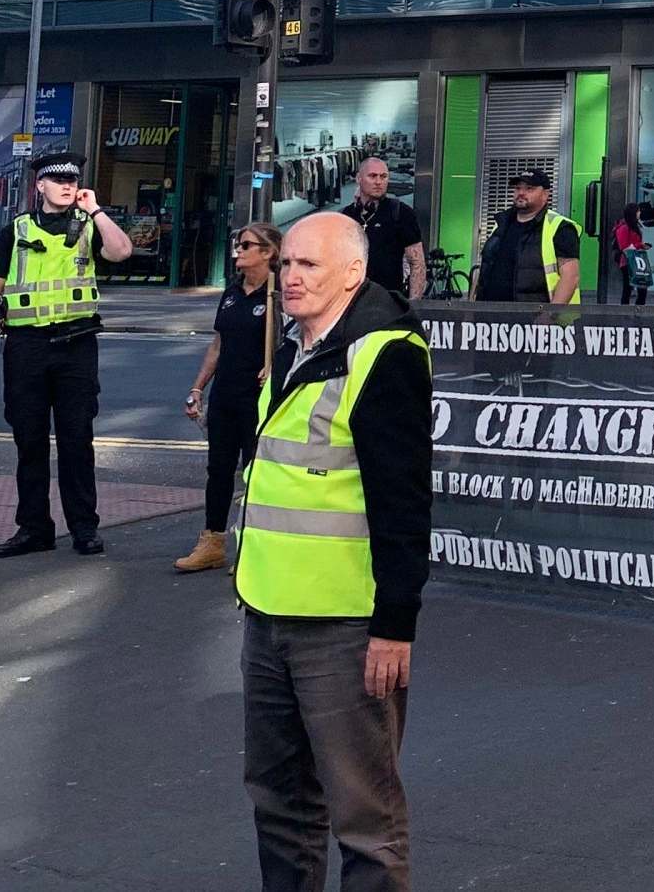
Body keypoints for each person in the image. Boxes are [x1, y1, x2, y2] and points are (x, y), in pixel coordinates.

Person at [237, 212, 432, 892]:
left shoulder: (383, 354)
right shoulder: (299, 344)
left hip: (344, 629)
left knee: (364, 820)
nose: (289, 276)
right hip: (267, 612)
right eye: (286, 263)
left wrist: (393, 626)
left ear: (353, 272)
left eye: (307, 266)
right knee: (279, 802)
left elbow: (403, 503)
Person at [0, 152, 133, 558]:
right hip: (26, 346)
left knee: (77, 441)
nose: (66, 185)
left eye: (72, 179)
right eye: (57, 179)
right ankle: (33, 529)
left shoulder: (87, 227)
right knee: (29, 442)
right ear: (39, 186)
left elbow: (122, 251)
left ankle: (84, 528)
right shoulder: (16, 230)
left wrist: (95, 208)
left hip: (76, 345)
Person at [173, 222, 279, 574]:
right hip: (226, 395)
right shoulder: (232, 293)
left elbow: (298, 343)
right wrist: (197, 387)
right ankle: (212, 542)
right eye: (238, 244)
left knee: (256, 472)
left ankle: (253, 543)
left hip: (258, 397)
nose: (239, 250)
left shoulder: (279, 296)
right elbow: (218, 344)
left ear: (268, 253)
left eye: (247, 245)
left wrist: (275, 367)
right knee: (218, 470)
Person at [477, 169, 582, 304]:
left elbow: (570, 277)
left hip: (535, 319)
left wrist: (550, 316)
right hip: (490, 317)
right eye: (518, 188)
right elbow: (484, 269)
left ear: (545, 194)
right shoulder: (501, 224)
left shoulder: (560, 228)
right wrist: (470, 311)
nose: (521, 193)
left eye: (529, 189)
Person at [341, 159, 425, 302]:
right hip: (350, 302)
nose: (378, 182)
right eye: (372, 176)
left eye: (383, 176)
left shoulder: (401, 213)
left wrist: (413, 305)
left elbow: (417, 262)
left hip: (388, 301)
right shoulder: (346, 216)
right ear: (359, 178)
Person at [614, 204, 654, 305]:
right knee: (627, 288)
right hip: (627, 261)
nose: (639, 213)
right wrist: (640, 245)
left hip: (638, 261)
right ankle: (625, 311)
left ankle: (638, 309)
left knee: (642, 288)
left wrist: (642, 246)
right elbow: (624, 247)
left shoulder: (636, 226)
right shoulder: (623, 228)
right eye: (638, 211)